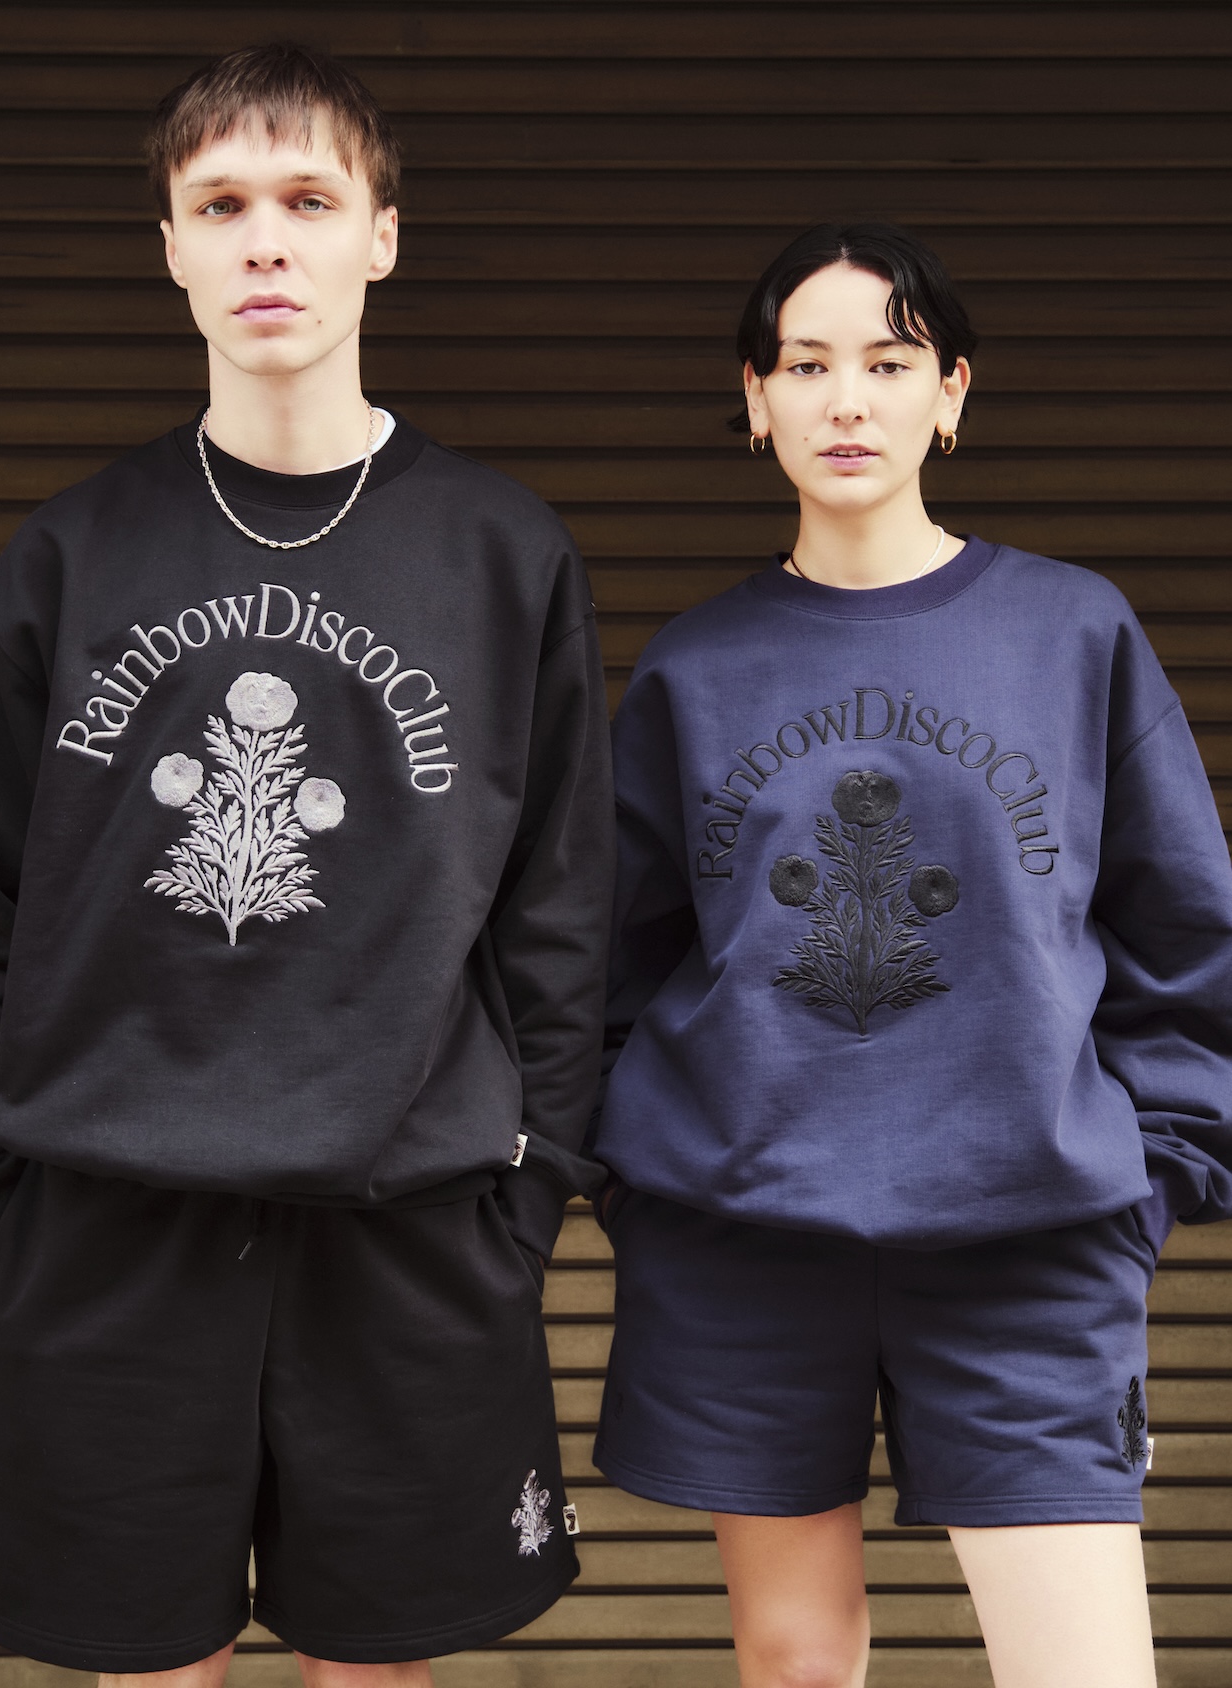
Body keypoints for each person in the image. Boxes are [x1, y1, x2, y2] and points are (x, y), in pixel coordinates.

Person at [0, 42, 613, 1688]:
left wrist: (531, 1190)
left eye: (309, 198)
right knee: (146, 1662)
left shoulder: (502, 552)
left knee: (377, 1663)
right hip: (107, 1220)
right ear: (170, 246)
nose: (266, 242)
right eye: (221, 205)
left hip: (412, 1225)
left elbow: (562, 909)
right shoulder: (70, 552)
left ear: (382, 236)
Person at [588, 222, 1232, 1688]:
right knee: (798, 1664)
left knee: (1082, 1671)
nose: (845, 401)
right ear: (754, 398)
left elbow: (1185, 931)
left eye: (887, 364)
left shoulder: (1073, 630)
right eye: (805, 364)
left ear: (951, 393)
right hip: (749, 1244)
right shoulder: (695, 663)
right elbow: (615, 958)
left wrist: (1152, 1181)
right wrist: (638, 1177)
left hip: (1026, 1239)